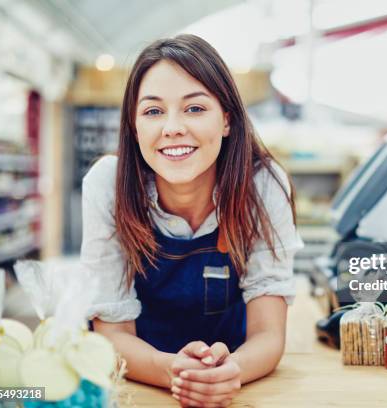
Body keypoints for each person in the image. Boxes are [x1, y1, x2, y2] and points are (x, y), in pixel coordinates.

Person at [80, 34, 303, 407]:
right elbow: (111, 335)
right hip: (139, 385)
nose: (172, 128)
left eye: (195, 109)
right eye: (153, 111)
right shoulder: (108, 184)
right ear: (135, 129)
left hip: (234, 383)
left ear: (228, 120)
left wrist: (232, 371)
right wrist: (173, 371)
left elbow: (268, 334)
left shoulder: (263, 185)